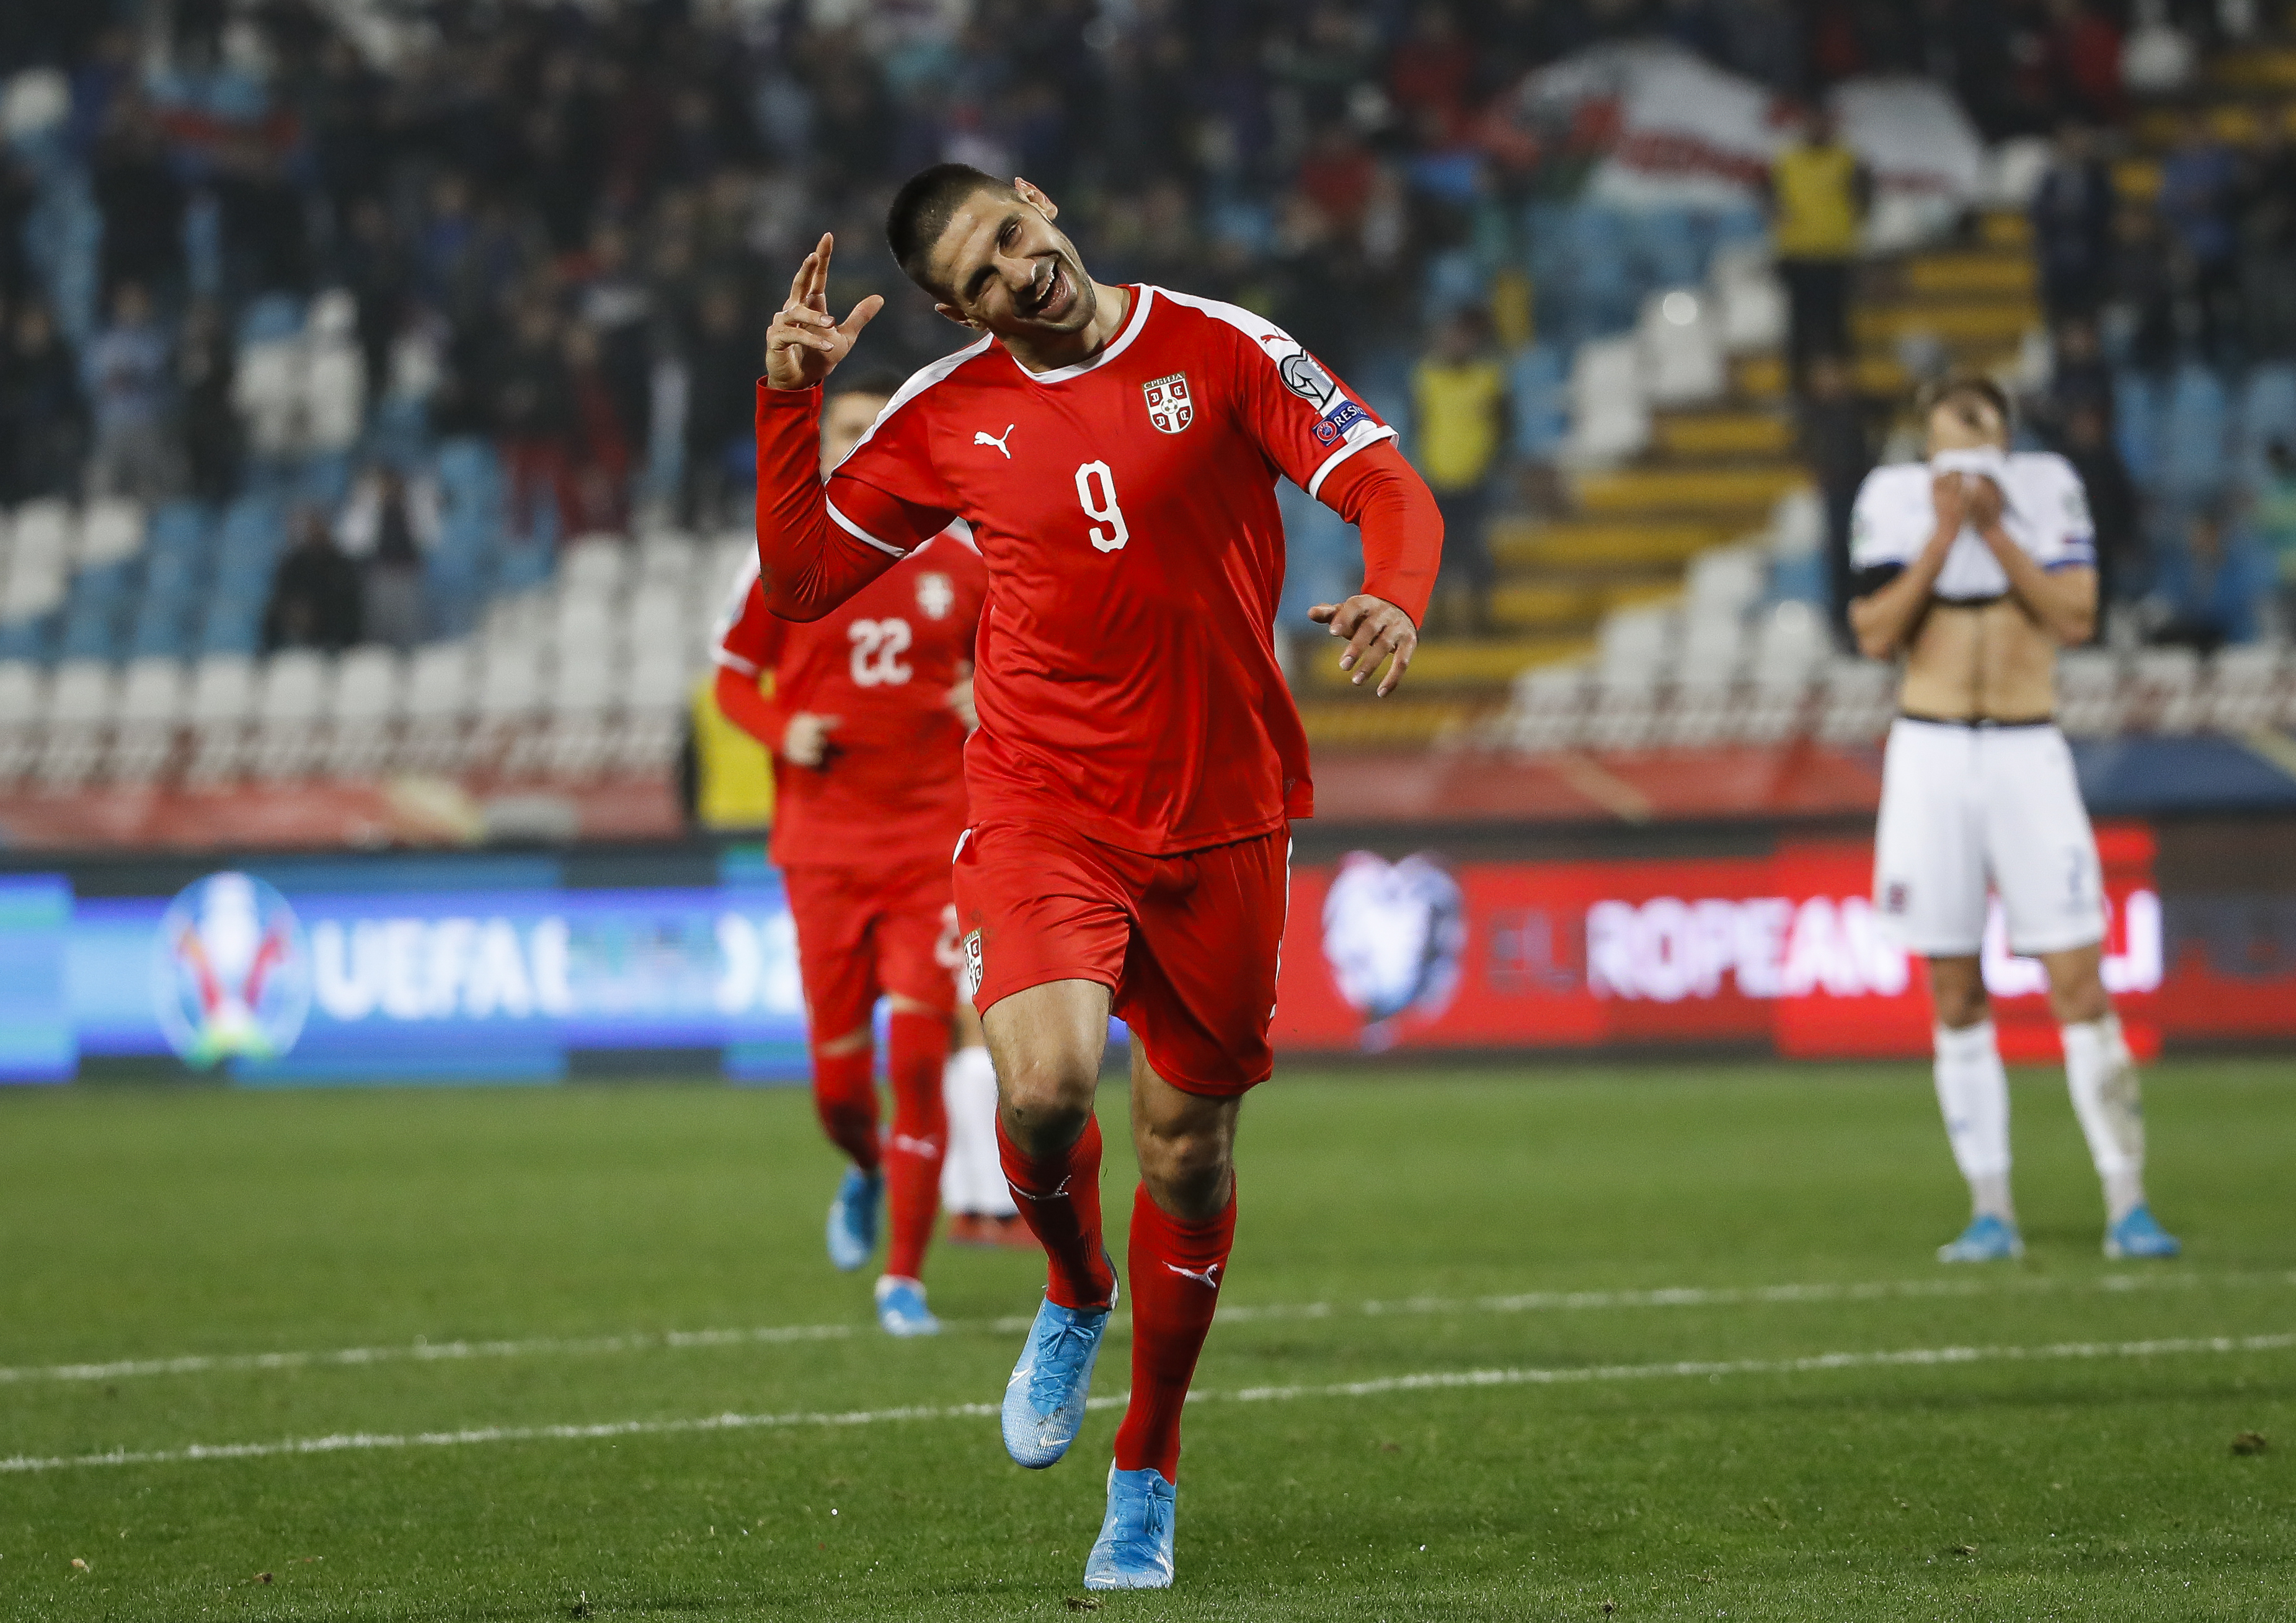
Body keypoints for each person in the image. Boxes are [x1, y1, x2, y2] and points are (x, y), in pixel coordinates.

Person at [754, 167, 1440, 1590]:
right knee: (1046, 1090)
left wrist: (1396, 588)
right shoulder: (947, 414)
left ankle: (1147, 1466)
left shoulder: (1226, 347)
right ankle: (1073, 1286)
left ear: (1041, 202)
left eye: (1017, 235)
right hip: (1043, 802)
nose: (1021, 272)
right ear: (957, 309)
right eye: (984, 276)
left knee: (1190, 1154)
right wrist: (782, 406)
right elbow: (808, 579)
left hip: (1230, 813)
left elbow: (1384, 480)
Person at [1847, 376, 2179, 1267]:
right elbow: (1875, 632)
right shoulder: (1888, 501)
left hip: (2027, 749)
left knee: (2078, 981)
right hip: (1929, 752)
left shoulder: (2046, 491)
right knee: (1953, 992)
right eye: (1943, 447)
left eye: (1976, 442)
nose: (1959, 464)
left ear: (2003, 439)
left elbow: (2075, 615)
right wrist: (1942, 534)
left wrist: (1990, 527)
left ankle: (2126, 1198)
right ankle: (1989, 1207)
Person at [711, 369, 991, 1337]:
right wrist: (779, 729)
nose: (864, 441)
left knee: (916, 1061)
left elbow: (1030, 662)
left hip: (929, 852)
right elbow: (732, 681)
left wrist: (988, 696)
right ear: (825, 445)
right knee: (839, 1088)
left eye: (880, 429)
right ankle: (864, 1166)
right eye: (850, 428)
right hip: (825, 854)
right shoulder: (787, 570)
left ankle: (903, 1280)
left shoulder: (962, 568)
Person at [1410, 306, 1509, 634]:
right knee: (1437, 554)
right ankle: (1435, 620)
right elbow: (1417, 425)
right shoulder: (1426, 378)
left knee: (1474, 550)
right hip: (1436, 478)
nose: (1456, 344)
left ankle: (1481, 619)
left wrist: (1493, 462)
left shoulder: (1489, 378)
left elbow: (1504, 426)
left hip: (1475, 479)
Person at [1768, 105, 1869, 383]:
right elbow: (1771, 199)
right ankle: (1799, 383)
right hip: (1796, 252)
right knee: (1800, 323)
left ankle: (1841, 382)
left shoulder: (1848, 160)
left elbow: (1864, 200)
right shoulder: (1786, 160)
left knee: (1836, 321)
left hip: (1836, 252)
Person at [264, 505, 363, 653]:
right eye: (311, 529)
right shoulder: (293, 564)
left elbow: (349, 603)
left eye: (319, 527)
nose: (315, 533)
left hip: (334, 634)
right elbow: (283, 600)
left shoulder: (340, 563)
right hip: (298, 632)